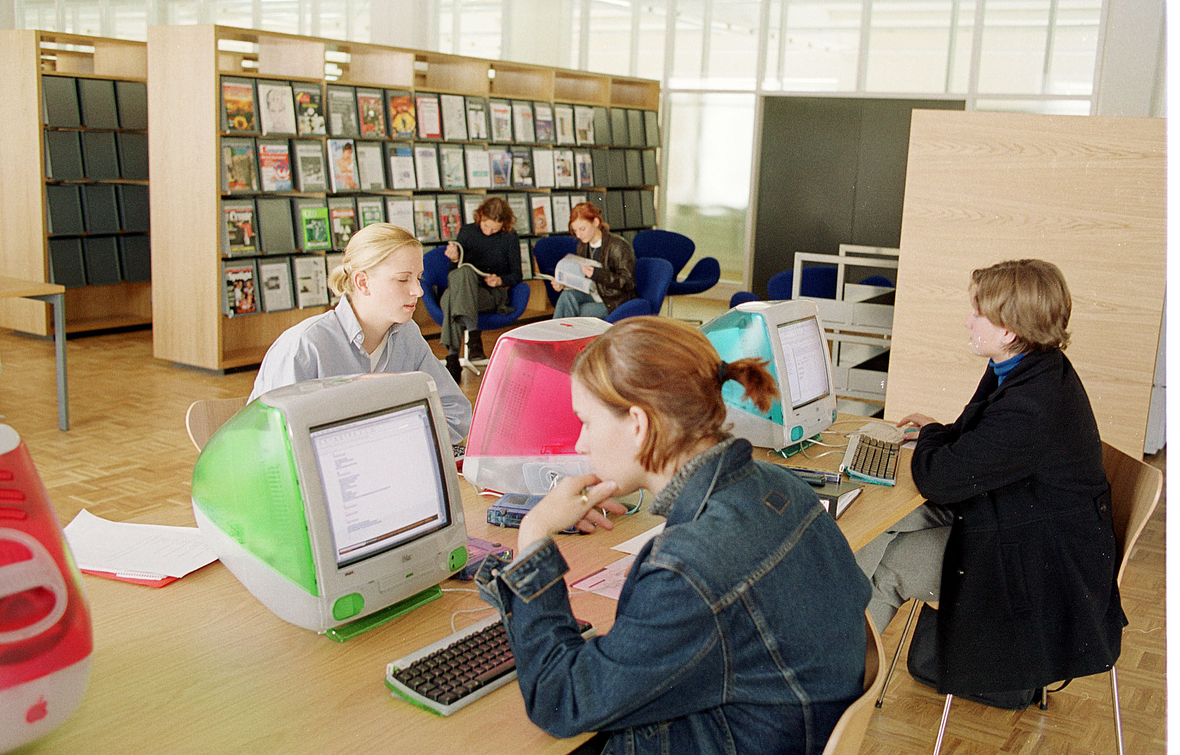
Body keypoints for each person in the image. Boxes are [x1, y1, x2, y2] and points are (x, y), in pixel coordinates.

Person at [475, 317, 871, 755]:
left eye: (585, 422)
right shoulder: (782, 487)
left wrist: (533, 535)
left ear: (639, 424)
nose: (581, 444)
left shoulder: (686, 567)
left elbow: (561, 701)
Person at [857, 258, 1125, 708]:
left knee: (889, 562)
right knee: (875, 526)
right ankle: (825, 650)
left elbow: (941, 479)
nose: (968, 319)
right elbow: (970, 441)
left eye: (978, 312)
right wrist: (939, 435)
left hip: (1042, 566)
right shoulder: (1025, 367)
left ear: (1009, 330)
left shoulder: (1032, 405)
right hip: (1019, 517)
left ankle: (838, 691)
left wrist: (928, 435)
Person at [249, 223, 471, 444]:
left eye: (418, 278)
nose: (419, 291)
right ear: (362, 282)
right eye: (403, 279)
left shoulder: (406, 334)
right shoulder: (304, 346)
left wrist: (390, 440)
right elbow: (273, 445)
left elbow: (457, 414)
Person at [440, 197, 523, 382]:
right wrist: (454, 259)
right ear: (480, 217)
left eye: (494, 229)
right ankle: (472, 337)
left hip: (491, 294)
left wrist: (500, 280)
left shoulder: (509, 236)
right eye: (486, 225)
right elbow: (453, 273)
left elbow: (517, 275)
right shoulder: (468, 232)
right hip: (468, 291)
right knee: (464, 272)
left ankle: (452, 356)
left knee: (449, 300)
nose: (488, 231)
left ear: (504, 224)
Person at [551, 202, 636, 319]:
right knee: (566, 296)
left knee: (580, 311)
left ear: (596, 222)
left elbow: (628, 282)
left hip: (613, 300)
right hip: (593, 292)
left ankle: (563, 334)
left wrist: (597, 274)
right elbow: (581, 277)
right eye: (575, 230)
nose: (579, 235)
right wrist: (564, 284)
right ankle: (557, 335)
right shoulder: (582, 245)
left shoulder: (617, 245)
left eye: (582, 229)